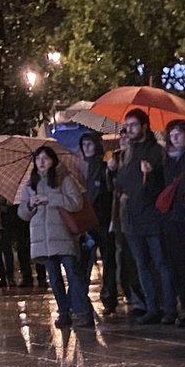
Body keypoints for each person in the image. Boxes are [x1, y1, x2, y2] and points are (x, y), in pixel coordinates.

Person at [18, 145, 95, 328]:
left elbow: (76, 203)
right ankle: (64, 312)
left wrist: (50, 199)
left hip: (63, 236)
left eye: (45, 158)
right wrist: (30, 204)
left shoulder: (64, 179)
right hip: (42, 240)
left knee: (73, 276)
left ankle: (83, 313)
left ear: (53, 161)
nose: (41, 162)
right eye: (38, 159)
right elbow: (22, 213)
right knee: (54, 279)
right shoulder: (30, 185)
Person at [115, 108, 174, 323]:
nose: (129, 129)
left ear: (144, 127)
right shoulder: (127, 153)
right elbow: (121, 185)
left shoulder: (156, 151)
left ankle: (169, 308)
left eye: (133, 125)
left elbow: (163, 186)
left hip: (152, 216)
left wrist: (151, 175)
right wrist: (113, 172)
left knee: (161, 264)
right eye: (127, 125)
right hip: (132, 218)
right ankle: (151, 307)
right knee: (142, 265)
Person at [156, 119, 185, 326]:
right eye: (171, 134)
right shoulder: (166, 160)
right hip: (170, 218)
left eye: (178, 133)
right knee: (177, 265)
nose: (174, 138)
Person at [77, 131, 118, 312]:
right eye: (83, 144)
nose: (86, 148)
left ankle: (109, 298)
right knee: (84, 261)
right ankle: (79, 298)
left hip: (103, 220)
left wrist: (111, 171)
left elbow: (111, 190)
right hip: (86, 222)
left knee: (108, 261)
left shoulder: (104, 167)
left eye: (90, 144)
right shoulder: (79, 170)